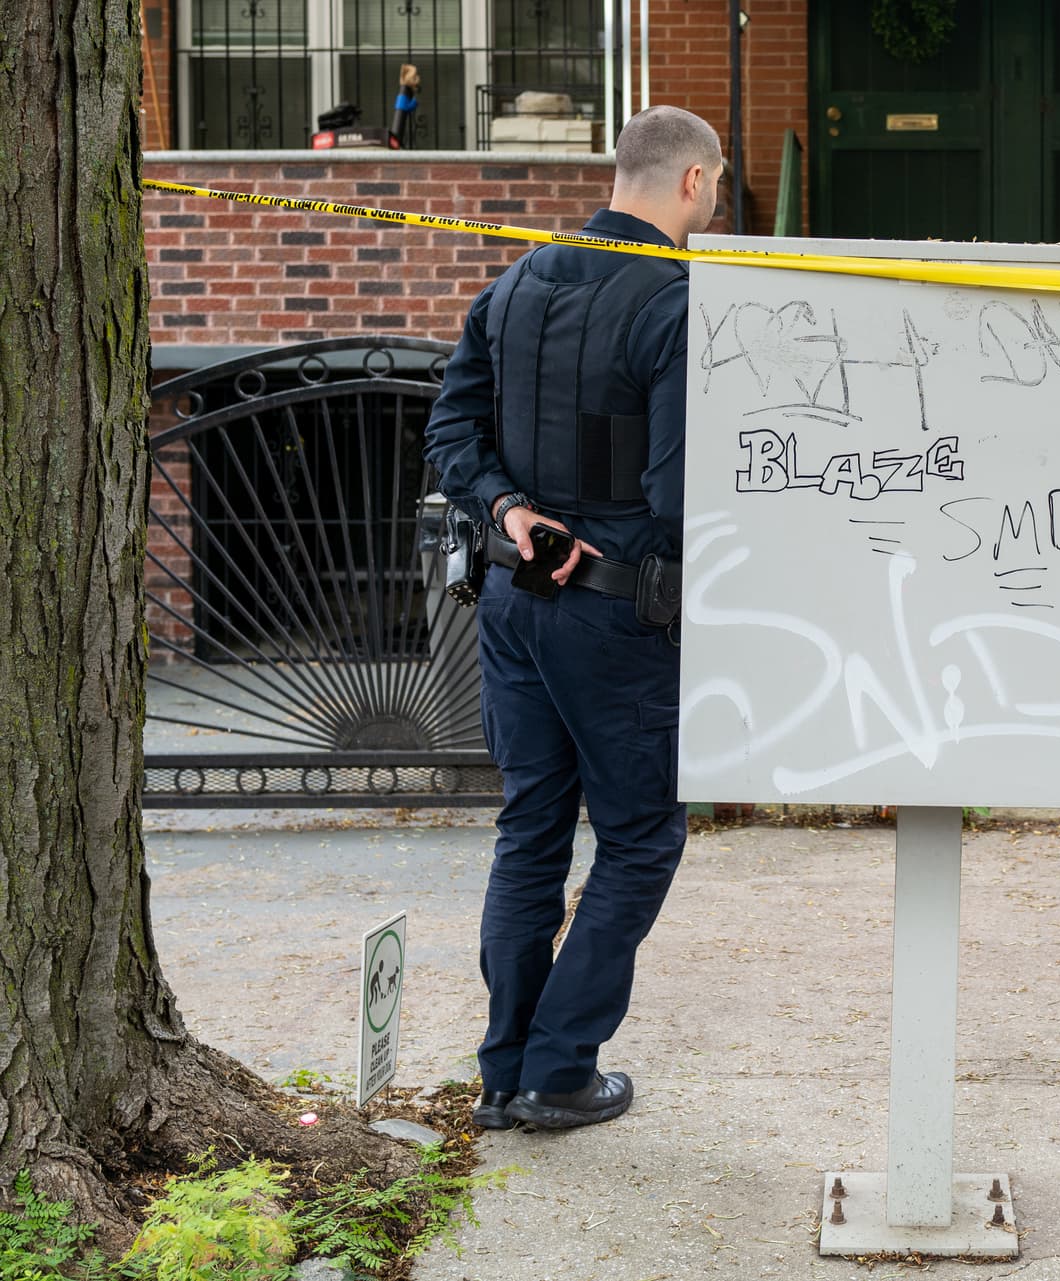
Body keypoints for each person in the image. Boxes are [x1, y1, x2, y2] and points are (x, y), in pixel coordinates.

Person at [424, 105, 721, 1132]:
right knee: (640, 838)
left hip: (511, 601)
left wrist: (510, 511)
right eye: (714, 190)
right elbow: (684, 499)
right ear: (691, 183)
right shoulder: (678, 302)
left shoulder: (513, 283)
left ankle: (505, 1072)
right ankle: (557, 1072)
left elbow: (449, 431)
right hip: (615, 622)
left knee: (532, 830)